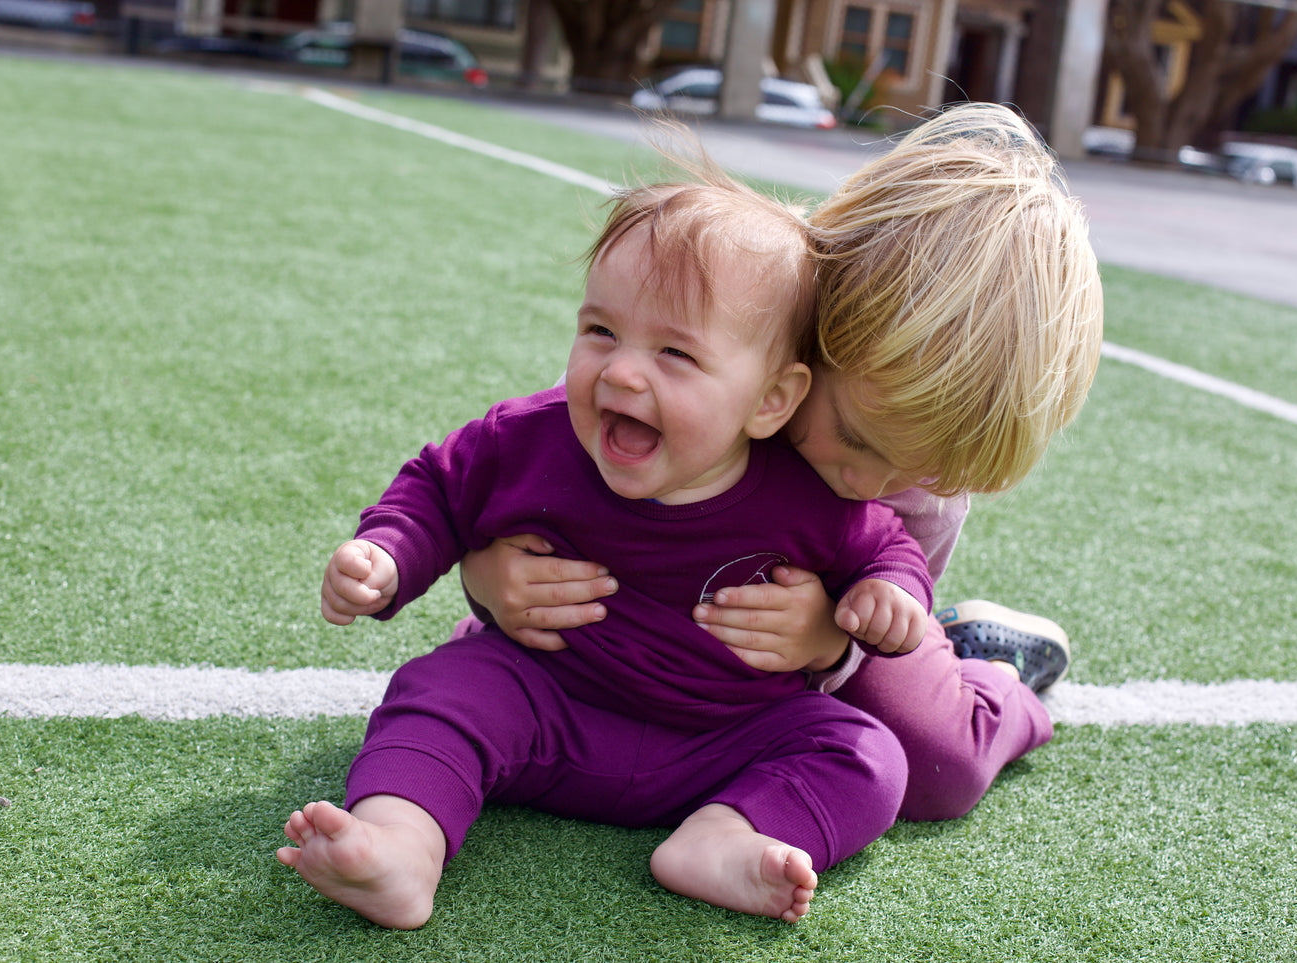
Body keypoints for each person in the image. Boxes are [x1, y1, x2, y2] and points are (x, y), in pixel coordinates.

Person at [277, 174, 939, 928]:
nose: (620, 371)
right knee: (440, 689)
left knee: (867, 752)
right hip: (543, 701)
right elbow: (437, 487)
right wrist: (386, 553)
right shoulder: (530, 437)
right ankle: (401, 845)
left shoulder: (805, 496)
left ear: (769, 401)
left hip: (723, 738)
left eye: (674, 353)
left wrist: (890, 595)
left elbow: (886, 550)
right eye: (600, 331)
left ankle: (722, 839)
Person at [459, 102, 1104, 824]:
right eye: (854, 438)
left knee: (938, 764)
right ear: (811, 342)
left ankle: (992, 674)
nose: (868, 485)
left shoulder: (917, 462)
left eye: (911, 474)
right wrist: (484, 570)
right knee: (504, 653)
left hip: (823, 621)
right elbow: (533, 461)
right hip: (661, 587)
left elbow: (891, 583)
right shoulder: (730, 321)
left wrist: (831, 640)